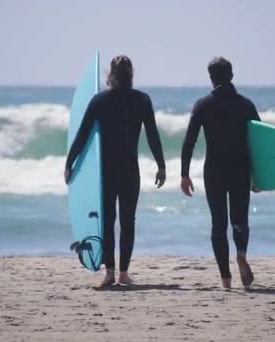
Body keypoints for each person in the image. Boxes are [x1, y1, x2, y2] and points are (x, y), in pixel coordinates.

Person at [65, 55, 166, 287]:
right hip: (130, 170)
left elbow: (82, 135)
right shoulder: (142, 100)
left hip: (107, 172)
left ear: (111, 75)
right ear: (131, 74)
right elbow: (152, 135)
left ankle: (110, 273)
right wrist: (161, 165)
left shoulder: (100, 101)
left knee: (108, 220)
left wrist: (70, 164)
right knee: (128, 220)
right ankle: (123, 273)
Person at [180, 57, 260, 289]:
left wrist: (184, 174)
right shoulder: (246, 105)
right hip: (240, 169)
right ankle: (242, 254)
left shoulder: (203, 105)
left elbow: (189, 141)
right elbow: (260, 141)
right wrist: (260, 175)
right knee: (239, 219)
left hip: (214, 170)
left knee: (218, 224)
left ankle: (226, 279)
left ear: (211, 78)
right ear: (232, 76)